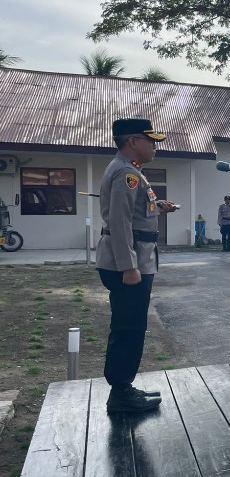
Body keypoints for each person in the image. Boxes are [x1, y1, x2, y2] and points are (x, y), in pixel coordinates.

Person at [96, 118, 179, 414]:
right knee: (128, 327)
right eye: (151, 141)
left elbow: (132, 213)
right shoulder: (126, 173)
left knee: (131, 325)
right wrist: (129, 267)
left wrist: (157, 207)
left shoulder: (130, 170)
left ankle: (123, 387)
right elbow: (120, 222)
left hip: (134, 259)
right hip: (129, 264)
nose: (155, 147)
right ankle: (120, 393)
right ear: (132, 141)